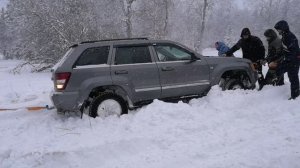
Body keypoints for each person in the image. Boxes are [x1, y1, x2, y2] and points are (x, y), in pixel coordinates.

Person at [274, 20, 300, 100]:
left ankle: (295, 96)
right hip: (290, 60)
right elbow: (284, 49)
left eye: (279, 29)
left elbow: (294, 51)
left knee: (293, 77)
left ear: (283, 28)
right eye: (277, 29)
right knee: (289, 75)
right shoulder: (285, 36)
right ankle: (295, 93)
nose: (278, 31)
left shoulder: (290, 37)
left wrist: (287, 60)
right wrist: (277, 57)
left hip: (294, 60)